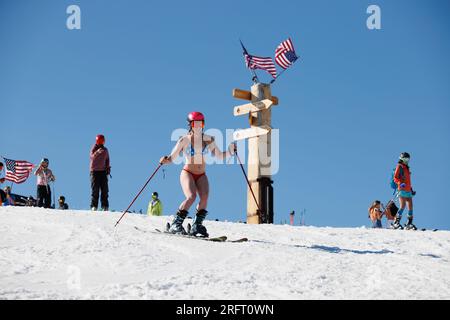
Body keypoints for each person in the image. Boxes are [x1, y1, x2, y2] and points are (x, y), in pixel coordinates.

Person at [159, 111, 236, 237]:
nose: (199, 126)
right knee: (191, 197)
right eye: (196, 123)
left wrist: (230, 151)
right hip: (188, 172)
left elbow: (219, 156)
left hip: (201, 174)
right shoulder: (184, 140)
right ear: (190, 124)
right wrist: (164, 160)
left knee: (204, 197)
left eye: (201, 123)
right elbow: (172, 158)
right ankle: (176, 224)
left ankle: (197, 225)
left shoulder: (208, 139)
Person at [392, 152, 417, 230]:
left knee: (410, 206)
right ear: (401, 158)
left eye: (408, 159)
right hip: (402, 189)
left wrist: (411, 189)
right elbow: (395, 178)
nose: (407, 160)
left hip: (408, 189)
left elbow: (408, 181)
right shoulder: (399, 166)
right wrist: (400, 183)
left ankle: (409, 223)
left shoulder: (407, 168)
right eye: (405, 158)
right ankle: (396, 222)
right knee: (402, 205)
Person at [90, 134, 111, 211]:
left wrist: (108, 167)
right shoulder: (94, 148)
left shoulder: (105, 150)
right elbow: (91, 157)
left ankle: (105, 206)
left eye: (103, 141)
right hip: (95, 171)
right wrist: (97, 152)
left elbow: (107, 159)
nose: (102, 142)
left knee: (104, 189)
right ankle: (94, 206)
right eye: (100, 141)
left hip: (103, 171)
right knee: (95, 189)